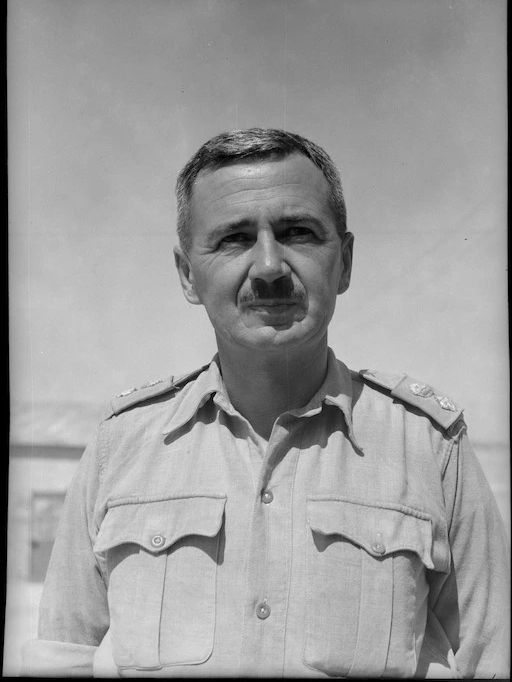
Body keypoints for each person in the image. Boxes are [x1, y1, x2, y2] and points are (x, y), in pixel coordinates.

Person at [22, 128, 509, 678]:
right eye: (233, 239)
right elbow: (64, 660)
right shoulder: (122, 446)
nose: (270, 266)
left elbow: (492, 662)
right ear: (187, 274)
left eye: (298, 232)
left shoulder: (430, 447)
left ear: (344, 262)